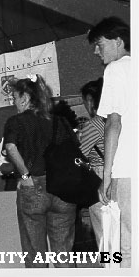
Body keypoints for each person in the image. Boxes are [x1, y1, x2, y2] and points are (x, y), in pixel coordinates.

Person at [3, 74, 76, 268]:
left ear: (25, 98)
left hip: (33, 186)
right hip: (63, 189)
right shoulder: (59, 121)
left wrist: (25, 175)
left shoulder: (16, 121)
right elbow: (73, 151)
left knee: (35, 255)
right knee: (63, 254)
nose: (14, 102)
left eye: (15, 98)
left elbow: (10, 148)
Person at [87, 16, 131, 268]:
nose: (96, 51)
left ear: (118, 42)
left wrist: (107, 176)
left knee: (125, 247)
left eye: (100, 44)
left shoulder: (115, 69)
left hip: (127, 171)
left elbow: (113, 123)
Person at [78, 78, 105, 259]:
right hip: (117, 172)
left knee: (103, 231)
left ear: (90, 100)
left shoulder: (93, 125)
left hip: (99, 176)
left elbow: (78, 155)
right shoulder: (112, 120)